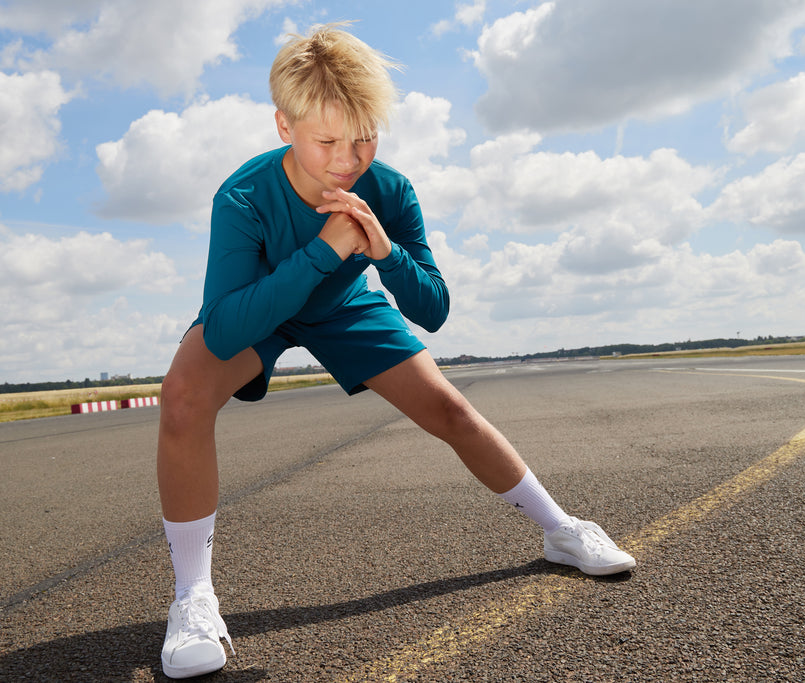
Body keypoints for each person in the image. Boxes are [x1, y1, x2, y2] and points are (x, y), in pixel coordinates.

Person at [157, 23, 636, 679]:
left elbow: (433, 307)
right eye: (327, 141)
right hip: (264, 304)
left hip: (346, 306)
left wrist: (383, 251)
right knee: (182, 396)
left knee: (452, 409)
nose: (349, 159)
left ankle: (561, 528)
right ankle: (194, 598)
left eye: (364, 137)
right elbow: (222, 330)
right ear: (283, 126)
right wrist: (325, 249)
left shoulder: (390, 189)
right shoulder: (242, 197)